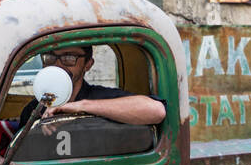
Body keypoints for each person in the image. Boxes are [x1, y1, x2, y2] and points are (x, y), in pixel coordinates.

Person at [17, 45, 168, 129]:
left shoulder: (100, 98)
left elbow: (156, 111)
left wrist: (82, 106)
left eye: (69, 58)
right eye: (50, 57)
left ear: (88, 64)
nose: (58, 65)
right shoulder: (32, 110)